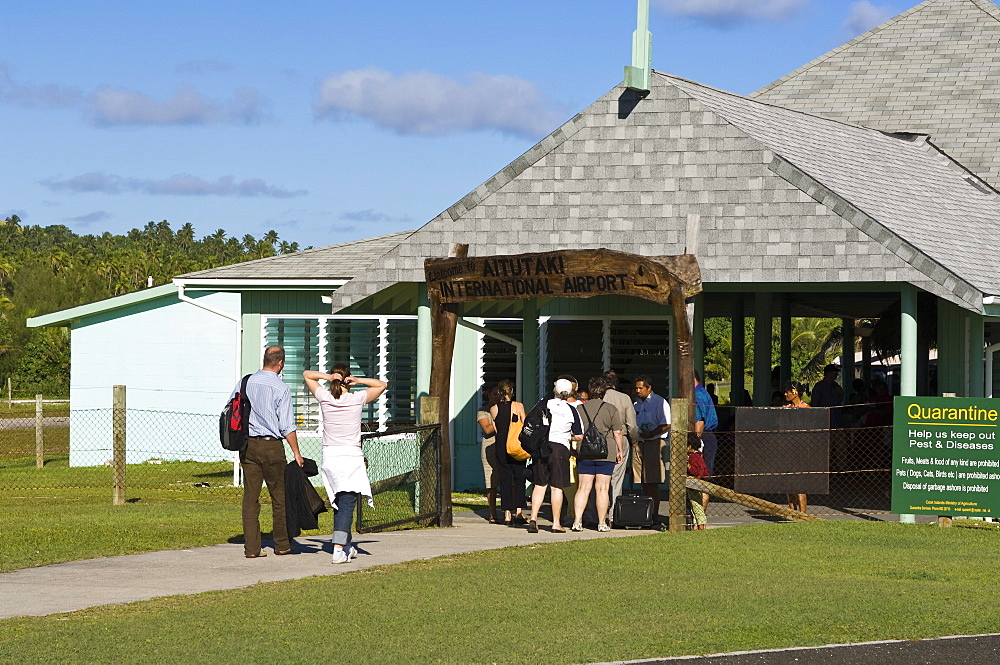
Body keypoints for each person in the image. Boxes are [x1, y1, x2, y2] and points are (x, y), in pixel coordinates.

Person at [303, 366, 387, 564]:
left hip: (331, 456)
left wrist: (328, 377)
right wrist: (358, 380)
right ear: (346, 379)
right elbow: (381, 385)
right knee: (348, 502)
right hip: (350, 456)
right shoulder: (356, 399)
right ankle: (338, 549)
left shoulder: (325, 397)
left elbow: (307, 374)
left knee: (340, 502)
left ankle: (346, 545)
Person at [235, 346, 304, 559]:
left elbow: (233, 407)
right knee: (279, 496)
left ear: (265, 359)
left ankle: (252, 548)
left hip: (248, 445)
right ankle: (282, 543)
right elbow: (287, 426)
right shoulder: (280, 388)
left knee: (251, 498)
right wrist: (296, 452)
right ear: (280, 363)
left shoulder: (246, 382)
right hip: (272, 446)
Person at [527, 378, 582, 533]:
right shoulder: (571, 410)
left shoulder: (543, 404)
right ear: (570, 392)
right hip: (560, 448)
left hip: (542, 445)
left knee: (539, 484)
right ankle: (556, 523)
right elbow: (579, 435)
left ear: (555, 390)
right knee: (556, 487)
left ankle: (533, 519)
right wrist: (567, 435)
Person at [572, 376, 624, 532]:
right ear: (604, 392)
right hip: (606, 452)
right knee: (602, 488)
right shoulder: (610, 409)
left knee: (583, 488)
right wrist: (619, 450)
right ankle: (602, 523)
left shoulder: (580, 409)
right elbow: (617, 432)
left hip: (585, 451)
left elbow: (574, 430)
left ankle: (577, 521)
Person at [490, 379, 529, 526]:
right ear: (511, 391)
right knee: (519, 479)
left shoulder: (494, 409)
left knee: (505, 480)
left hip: (501, 446)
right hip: (516, 445)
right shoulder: (518, 406)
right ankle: (518, 511)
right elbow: (525, 425)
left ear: (499, 392)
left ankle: (506, 513)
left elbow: (497, 429)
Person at [602, 370, 638, 526]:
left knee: (600, 479)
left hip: (600, 439)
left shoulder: (598, 398)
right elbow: (632, 424)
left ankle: (598, 515)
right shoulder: (624, 398)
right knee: (616, 479)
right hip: (620, 439)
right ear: (616, 383)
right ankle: (612, 515)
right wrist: (634, 440)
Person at [633, 375, 671, 520]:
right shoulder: (636, 403)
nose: (637, 390)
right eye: (636, 387)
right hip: (639, 443)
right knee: (642, 479)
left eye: (640, 388)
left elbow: (667, 423)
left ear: (649, 388)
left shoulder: (659, 402)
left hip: (654, 443)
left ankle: (654, 513)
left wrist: (652, 433)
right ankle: (645, 512)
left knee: (652, 480)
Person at [694, 370, 719, 513]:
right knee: (704, 476)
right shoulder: (703, 392)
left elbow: (699, 421)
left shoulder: (697, 395)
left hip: (702, 437)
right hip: (708, 436)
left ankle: (699, 515)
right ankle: (699, 514)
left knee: (701, 475)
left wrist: (694, 443)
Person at [782, 380, 809, 514]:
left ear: (794, 392)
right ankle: (792, 512)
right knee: (788, 484)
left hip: (800, 450)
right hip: (787, 449)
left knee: (799, 483)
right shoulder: (785, 408)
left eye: (787, 391)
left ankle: (803, 514)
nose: (785, 394)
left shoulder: (806, 409)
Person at [477, 386, 501, 523]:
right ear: (488, 395)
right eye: (494, 394)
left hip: (505, 445)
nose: (497, 397)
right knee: (491, 481)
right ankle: (493, 513)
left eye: (500, 394)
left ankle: (511, 511)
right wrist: (499, 419)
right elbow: (487, 429)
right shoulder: (483, 411)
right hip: (489, 448)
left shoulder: (505, 408)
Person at [687, 437, 711, 530]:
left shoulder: (693, 457)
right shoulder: (699, 456)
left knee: (696, 506)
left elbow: (695, 471)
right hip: (698, 484)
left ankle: (700, 525)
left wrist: (687, 465)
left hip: (694, 484)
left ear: (689, 446)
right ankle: (696, 525)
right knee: (695, 506)